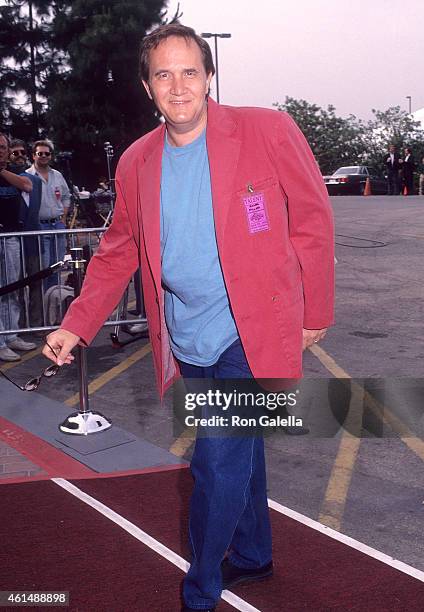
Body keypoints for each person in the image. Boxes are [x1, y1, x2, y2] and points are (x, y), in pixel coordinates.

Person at [42, 24, 334, 611]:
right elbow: (119, 247)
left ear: (209, 76)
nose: (178, 87)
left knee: (217, 458)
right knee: (239, 450)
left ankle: (199, 591)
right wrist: (77, 322)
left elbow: (311, 219)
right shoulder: (136, 161)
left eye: (189, 72)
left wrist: (317, 310)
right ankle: (252, 555)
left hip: (254, 331)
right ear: (147, 86)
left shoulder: (266, 130)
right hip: (187, 332)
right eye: (163, 74)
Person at [0, 133, 37, 362]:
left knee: (12, 288)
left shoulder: (15, 173)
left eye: (3, 147)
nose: (0, 150)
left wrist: (1, 170)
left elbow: (27, 186)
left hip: (11, 238)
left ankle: (11, 334)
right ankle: (0, 340)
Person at [9, 139, 43, 327]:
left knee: (37, 283)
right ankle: (19, 326)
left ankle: (37, 324)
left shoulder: (36, 181)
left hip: (33, 240)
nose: (20, 155)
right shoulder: (6, 182)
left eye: (23, 152)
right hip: (12, 240)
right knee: (16, 287)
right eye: (15, 153)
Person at [26, 140, 71, 288]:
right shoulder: (26, 176)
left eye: (47, 153)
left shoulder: (57, 175)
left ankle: (55, 303)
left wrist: (63, 218)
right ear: (33, 156)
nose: (44, 156)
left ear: (51, 156)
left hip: (58, 225)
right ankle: (44, 305)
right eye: (40, 153)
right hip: (40, 226)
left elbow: (66, 196)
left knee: (58, 265)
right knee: (43, 268)